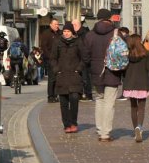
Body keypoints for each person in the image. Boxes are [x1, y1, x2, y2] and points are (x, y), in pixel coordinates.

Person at [84, 8, 122, 141]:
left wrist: (92, 67)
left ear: (98, 18)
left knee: (99, 100)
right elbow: (123, 54)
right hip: (113, 71)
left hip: (96, 72)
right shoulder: (116, 33)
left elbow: (85, 56)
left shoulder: (89, 35)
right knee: (109, 102)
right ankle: (106, 133)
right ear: (109, 18)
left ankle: (100, 130)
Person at [122, 34, 149, 142]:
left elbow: (123, 69)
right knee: (141, 108)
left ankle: (135, 127)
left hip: (130, 84)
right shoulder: (145, 54)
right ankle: (139, 127)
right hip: (142, 84)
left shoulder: (127, 55)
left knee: (133, 107)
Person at [52, 22, 84, 133]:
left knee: (74, 98)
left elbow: (84, 58)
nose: (66, 33)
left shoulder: (78, 42)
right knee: (63, 101)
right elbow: (53, 58)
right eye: (64, 31)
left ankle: (73, 122)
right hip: (62, 76)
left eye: (68, 31)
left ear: (72, 32)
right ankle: (66, 124)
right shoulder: (57, 42)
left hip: (74, 76)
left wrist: (78, 69)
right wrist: (56, 70)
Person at [40, 18, 61, 103]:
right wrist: (50, 57)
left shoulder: (60, 33)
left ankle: (56, 95)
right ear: (51, 25)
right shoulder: (46, 34)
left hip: (59, 59)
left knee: (58, 78)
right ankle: (50, 96)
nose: (57, 26)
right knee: (52, 78)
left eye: (58, 24)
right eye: (55, 24)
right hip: (50, 59)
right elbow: (44, 47)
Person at [72, 18, 92, 100]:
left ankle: (88, 94)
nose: (72, 27)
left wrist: (86, 59)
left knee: (85, 78)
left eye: (74, 25)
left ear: (77, 25)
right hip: (77, 60)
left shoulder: (84, 34)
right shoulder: (76, 33)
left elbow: (86, 48)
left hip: (84, 60)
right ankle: (80, 94)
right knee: (79, 78)